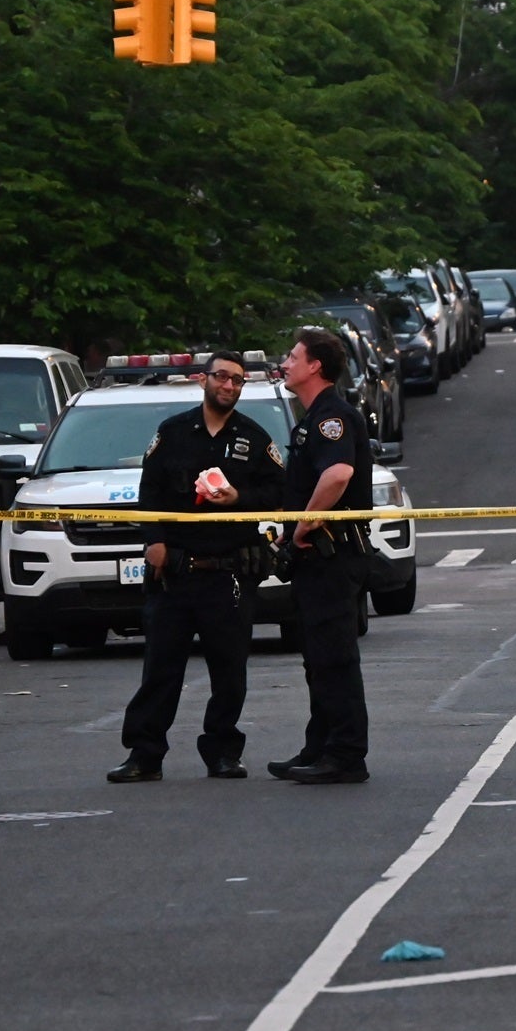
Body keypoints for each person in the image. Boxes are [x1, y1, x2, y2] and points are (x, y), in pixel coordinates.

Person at [109, 350, 286, 783]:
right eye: (222, 377)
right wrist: (154, 541)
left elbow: (280, 491)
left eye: (238, 381)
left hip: (228, 575)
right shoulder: (172, 434)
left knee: (229, 672)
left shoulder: (253, 437)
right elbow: (149, 493)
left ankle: (223, 751)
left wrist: (238, 499)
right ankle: (144, 754)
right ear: (203, 380)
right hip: (175, 573)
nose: (229, 386)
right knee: (161, 670)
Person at [268, 327, 374, 786]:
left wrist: (305, 524)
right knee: (317, 657)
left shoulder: (333, 417)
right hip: (317, 561)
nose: (286, 363)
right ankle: (321, 744)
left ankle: (347, 754)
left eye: (293, 356)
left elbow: (338, 474)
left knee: (334, 657)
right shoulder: (310, 419)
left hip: (333, 555)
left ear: (315, 366)